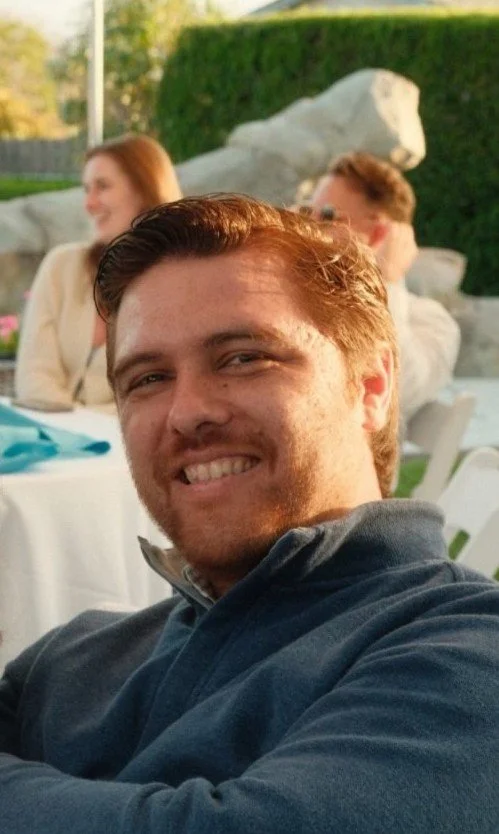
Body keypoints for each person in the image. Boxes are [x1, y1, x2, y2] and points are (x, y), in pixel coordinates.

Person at [1, 195, 498, 833]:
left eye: (243, 357)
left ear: (370, 386)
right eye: (148, 378)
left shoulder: (464, 648)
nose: (188, 412)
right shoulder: (73, 659)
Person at [14, 133, 182, 410]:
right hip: (58, 443)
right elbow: (33, 377)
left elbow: (162, 397)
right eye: (86, 189)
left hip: (135, 448)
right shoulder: (62, 266)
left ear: (145, 189)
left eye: (102, 186)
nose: (89, 204)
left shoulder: (182, 283)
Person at [310, 151, 461, 423]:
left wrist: (385, 281)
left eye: (328, 216)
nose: (309, 228)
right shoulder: (297, 301)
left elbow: (398, 390)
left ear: (381, 233)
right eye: (307, 213)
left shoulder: (431, 322)